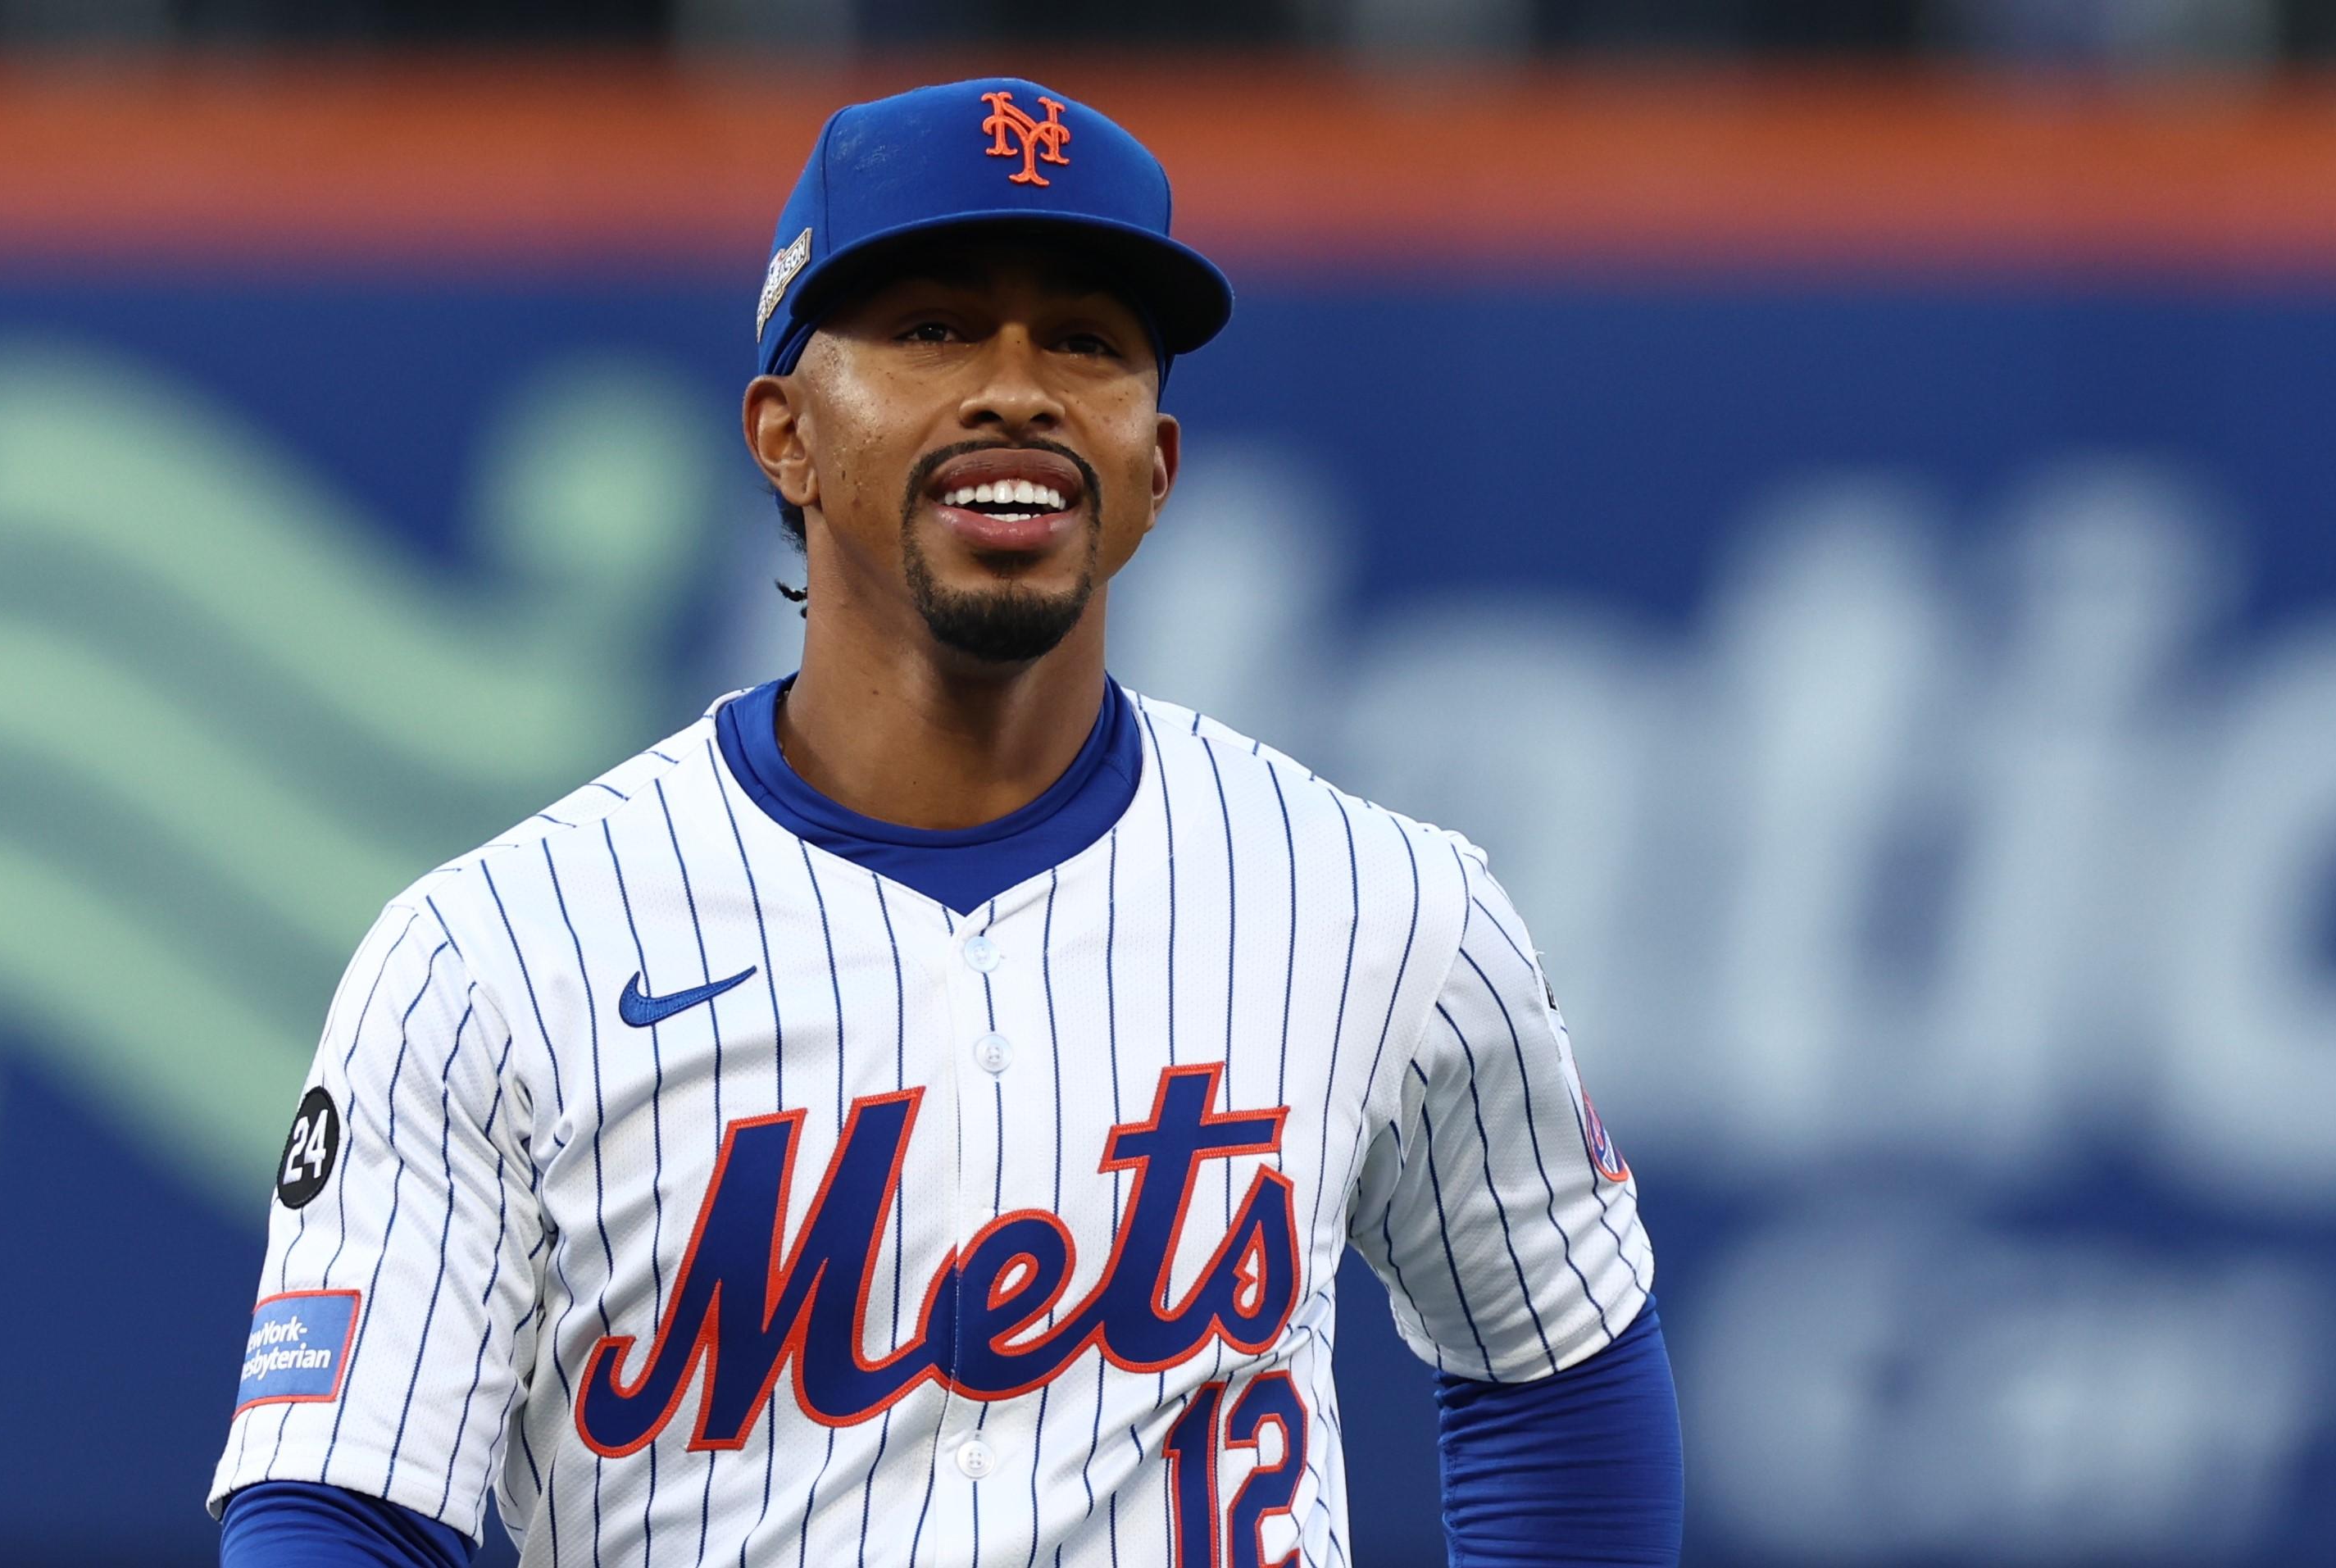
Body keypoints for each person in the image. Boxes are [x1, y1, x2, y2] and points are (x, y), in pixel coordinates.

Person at [209, 76, 1682, 1568]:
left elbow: (1556, 1370)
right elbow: (340, 1504)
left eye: (1088, 343)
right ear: (782, 435)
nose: (1017, 387)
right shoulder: (492, 955)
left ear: (1154, 467)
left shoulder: (1383, 903)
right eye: (932, 328)